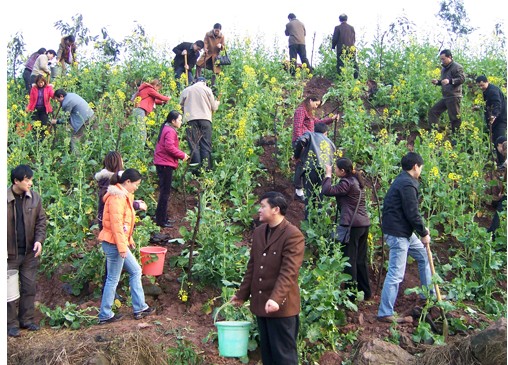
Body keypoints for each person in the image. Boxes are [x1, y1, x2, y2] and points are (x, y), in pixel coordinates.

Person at [231, 192, 305, 365]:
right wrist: (242, 294)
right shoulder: (259, 232)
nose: (260, 209)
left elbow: (289, 272)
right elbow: (253, 266)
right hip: (261, 305)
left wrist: (276, 299)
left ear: (276, 209)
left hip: (281, 308)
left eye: (263, 206)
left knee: (284, 357)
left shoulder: (293, 235)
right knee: (268, 356)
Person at [377, 152, 432, 322]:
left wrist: (421, 230)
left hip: (403, 231)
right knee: (396, 273)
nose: (421, 170)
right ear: (416, 166)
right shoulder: (408, 184)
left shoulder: (403, 180)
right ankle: (385, 312)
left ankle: (427, 295)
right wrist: (423, 232)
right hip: (398, 234)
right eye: (421, 167)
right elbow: (412, 212)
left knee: (423, 257)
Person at [97, 168, 152, 324]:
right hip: (114, 243)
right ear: (127, 182)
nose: (137, 187)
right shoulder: (116, 198)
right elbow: (116, 225)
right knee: (113, 278)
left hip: (118, 242)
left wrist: (129, 239)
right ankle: (105, 314)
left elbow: (124, 225)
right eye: (136, 184)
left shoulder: (123, 196)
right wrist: (122, 247)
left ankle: (140, 307)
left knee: (135, 270)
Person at [322, 157, 371, 300]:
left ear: (342, 171)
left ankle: (351, 296)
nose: (335, 170)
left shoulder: (346, 182)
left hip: (352, 226)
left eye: (336, 168)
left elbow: (327, 190)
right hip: (363, 224)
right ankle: (365, 292)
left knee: (350, 260)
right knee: (360, 260)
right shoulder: (356, 181)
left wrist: (328, 174)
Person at [7, 165, 47, 337]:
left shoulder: (35, 198)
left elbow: (41, 222)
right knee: (9, 292)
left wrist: (39, 241)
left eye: (30, 179)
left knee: (29, 287)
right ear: (16, 181)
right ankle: (10, 324)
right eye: (27, 180)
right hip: (9, 253)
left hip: (29, 252)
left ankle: (27, 320)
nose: (30, 183)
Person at [292, 96, 339, 202]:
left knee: (306, 164)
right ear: (310, 101)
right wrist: (301, 143)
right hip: (302, 141)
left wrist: (331, 119)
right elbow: (297, 128)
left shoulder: (308, 112)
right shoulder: (301, 111)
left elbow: (317, 122)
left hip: (308, 141)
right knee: (301, 164)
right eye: (316, 104)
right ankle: (298, 191)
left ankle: (302, 190)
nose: (316, 107)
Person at [153, 110, 189, 228]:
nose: (180, 122)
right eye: (179, 120)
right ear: (173, 121)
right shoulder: (170, 131)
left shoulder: (166, 128)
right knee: (165, 193)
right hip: (165, 164)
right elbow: (169, 147)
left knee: (164, 192)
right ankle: (161, 221)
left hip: (162, 163)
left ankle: (162, 218)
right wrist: (182, 155)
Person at [293, 123, 336, 219]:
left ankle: (309, 221)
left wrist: (297, 155)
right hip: (325, 172)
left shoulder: (310, 134)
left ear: (314, 130)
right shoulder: (331, 143)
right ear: (326, 133)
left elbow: (300, 140)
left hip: (310, 169)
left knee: (309, 196)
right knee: (322, 197)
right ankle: (321, 221)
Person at [180, 77, 220, 172]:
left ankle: (195, 169)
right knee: (205, 144)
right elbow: (213, 107)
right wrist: (217, 103)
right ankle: (206, 169)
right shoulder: (207, 89)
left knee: (193, 144)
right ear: (204, 82)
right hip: (205, 119)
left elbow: (180, 106)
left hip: (190, 120)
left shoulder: (186, 90)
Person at [428, 49, 465, 133]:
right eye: (441, 59)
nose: (442, 61)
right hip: (446, 97)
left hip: (454, 96)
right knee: (433, 112)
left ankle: (457, 139)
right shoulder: (444, 69)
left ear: (450, 57)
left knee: (455, 118)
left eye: (443, 59)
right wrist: (438, 82)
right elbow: (445, 82)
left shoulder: (457, 67)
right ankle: (434, 134)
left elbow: (462, 79)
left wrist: (451, 81)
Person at [475, 75, 507, 167]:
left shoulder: (492, 91)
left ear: (487, 82)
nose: (481, 88)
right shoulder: (487, 90)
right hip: (496, 120)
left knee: (500, 141)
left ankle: (503, 164)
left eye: (482, 85)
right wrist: (480, 107)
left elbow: (497, 104)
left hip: (500, 119)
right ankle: (499, 161)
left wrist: (493, 115)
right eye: (479, 86)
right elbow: (489, 104)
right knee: (495, 140)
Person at [52, 89, 95, 153]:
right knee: (86, 135)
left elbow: (66, 119)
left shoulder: (67, 103)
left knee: (75, 137)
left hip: (84, 119)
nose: (57, 101)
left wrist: (56, 121)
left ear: (61, 96)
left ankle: (76, 157)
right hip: (91, 115)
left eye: (57, 99)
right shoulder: (71, 95)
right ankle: (87, 150)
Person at [131, 79, 171, 144]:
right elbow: (159, 96)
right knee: (142, 132)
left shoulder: (145, 89)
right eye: (158, 88)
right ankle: (140, 149)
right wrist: (168, 98)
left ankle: (137, 147)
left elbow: (153, 101)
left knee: (137, 130)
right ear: (155, 85)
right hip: (140, 110)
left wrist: (162, 102)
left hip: (137, 110)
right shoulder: (149, 89)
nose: (158, 90)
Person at [332, 14, 358, 78]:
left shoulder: (337, 28)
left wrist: (333, 46)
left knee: (340, 64)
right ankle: (356, 77)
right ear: (347, 19)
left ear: (339, 20)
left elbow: (335, 38)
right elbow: (354, 38)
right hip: (351, 48)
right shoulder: (351, 28)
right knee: (353, 62)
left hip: (341, 49)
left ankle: (342, 79)